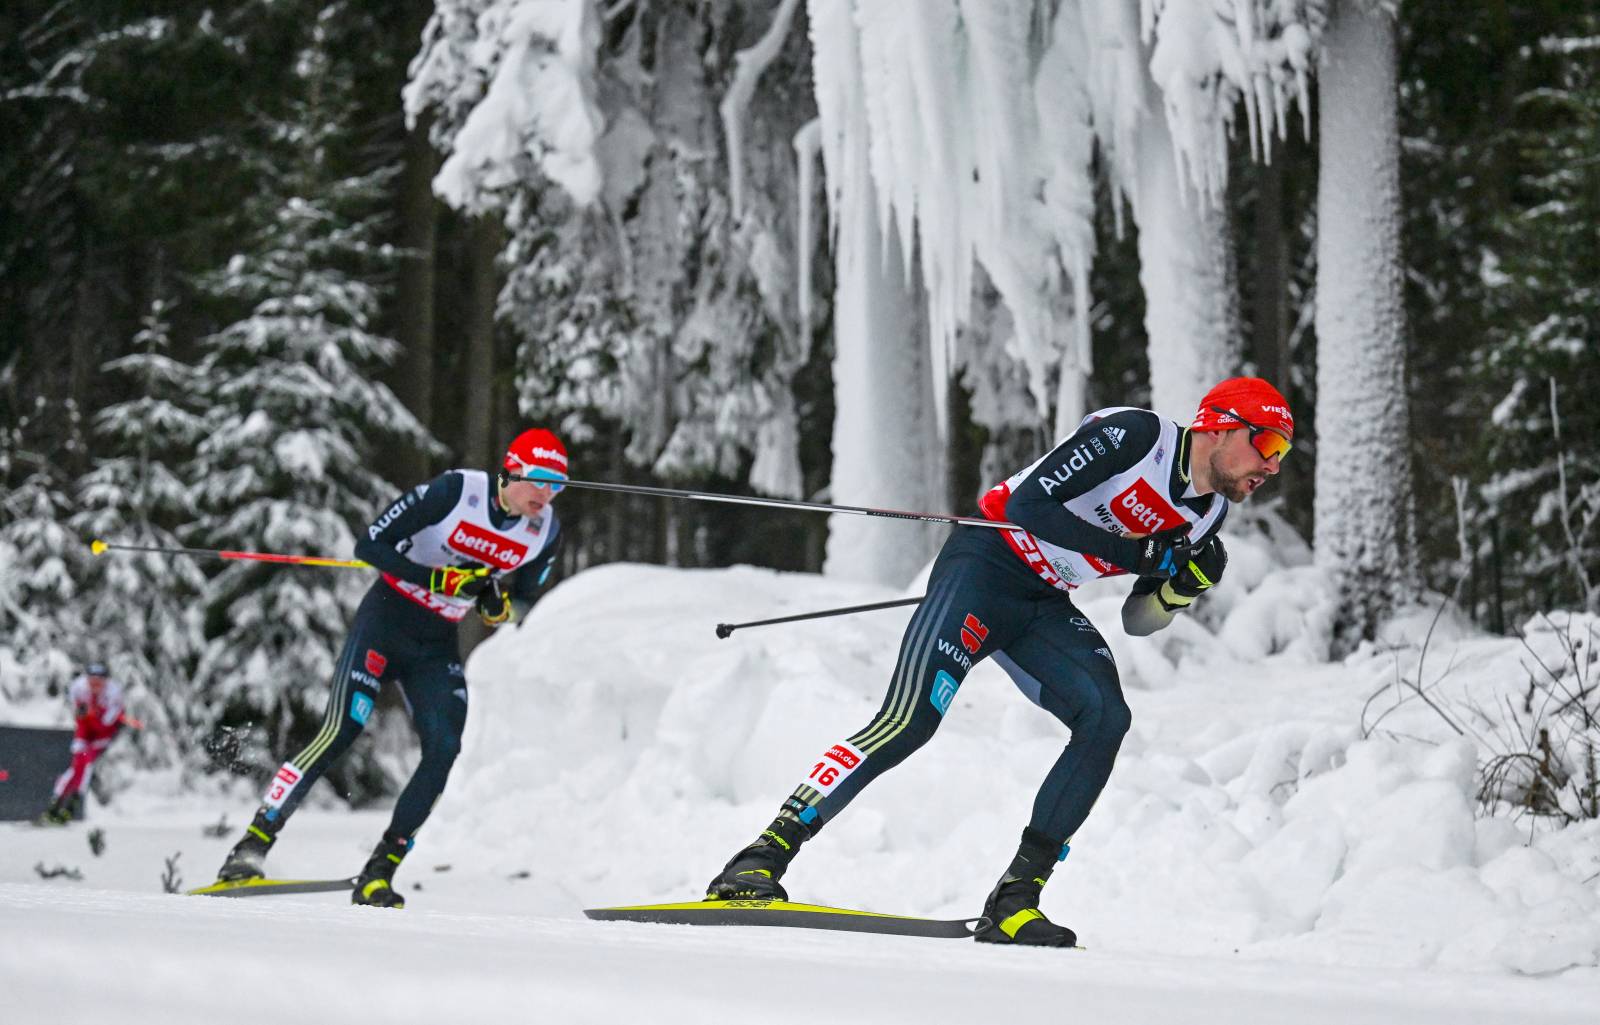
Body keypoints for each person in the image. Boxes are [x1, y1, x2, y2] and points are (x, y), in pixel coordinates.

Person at [705, 377, 1294, 946]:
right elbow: (1030, 504)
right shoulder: (1138, 437)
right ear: (1221, 426)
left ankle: (1016, 897)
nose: (1272, 466)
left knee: (1106, 718)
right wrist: (1143, 552)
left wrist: (1177, 589)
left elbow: (1137, 621)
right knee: (912, 719)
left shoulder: (1207, 516)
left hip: (1041, 601)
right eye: (1267, 445)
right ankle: (759, 857)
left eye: (1283, 454)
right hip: (985, 563)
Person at [213, 428, 570, 907]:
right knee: (344, 727)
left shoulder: (543, 530)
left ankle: (380, 870)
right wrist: (434, 577)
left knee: (444, 749)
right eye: (540, 482)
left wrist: (495, 604)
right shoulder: (455, 492)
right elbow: (370, 544)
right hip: (387, 618)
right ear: (512, 471)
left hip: (435, 642)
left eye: (557, 486)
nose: (545, 496)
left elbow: (523, 601)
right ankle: (252, 844)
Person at [38, 662, 129, 824]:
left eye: (99, 682)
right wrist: (85, 715)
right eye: (91, 681)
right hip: (85, 733)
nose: (95, 685)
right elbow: (79, 716)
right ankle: (59, 806)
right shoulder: (78, 688)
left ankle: (68, 806)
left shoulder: (113, 693)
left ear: (105, 682)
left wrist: (93, 715)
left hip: (101, 737)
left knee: (84, 765)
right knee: (79, 766)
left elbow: (106, 725)